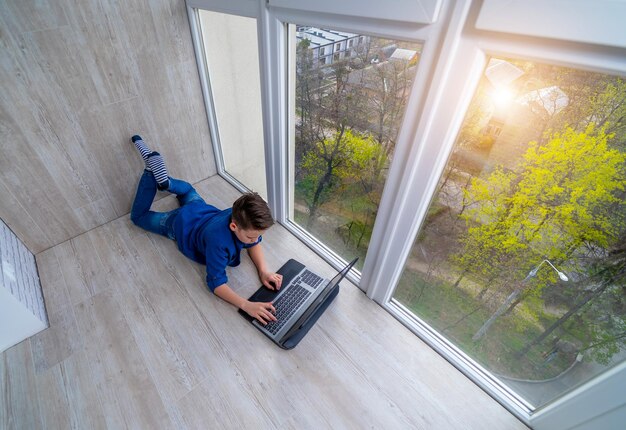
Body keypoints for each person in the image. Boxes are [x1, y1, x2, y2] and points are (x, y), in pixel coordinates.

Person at [129, 135, 282, 325]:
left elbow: (254, 242)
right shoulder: (219, 243)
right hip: (179, 223)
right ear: (234, 226)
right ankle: (151, 174)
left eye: (258, 236)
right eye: (251, 237)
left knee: (188, 192)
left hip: (200, 209)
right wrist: (246, 304)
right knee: (138, 217)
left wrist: (264, 270)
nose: (255, 241)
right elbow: (216, 284)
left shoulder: (240, 214)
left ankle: (166, 183)